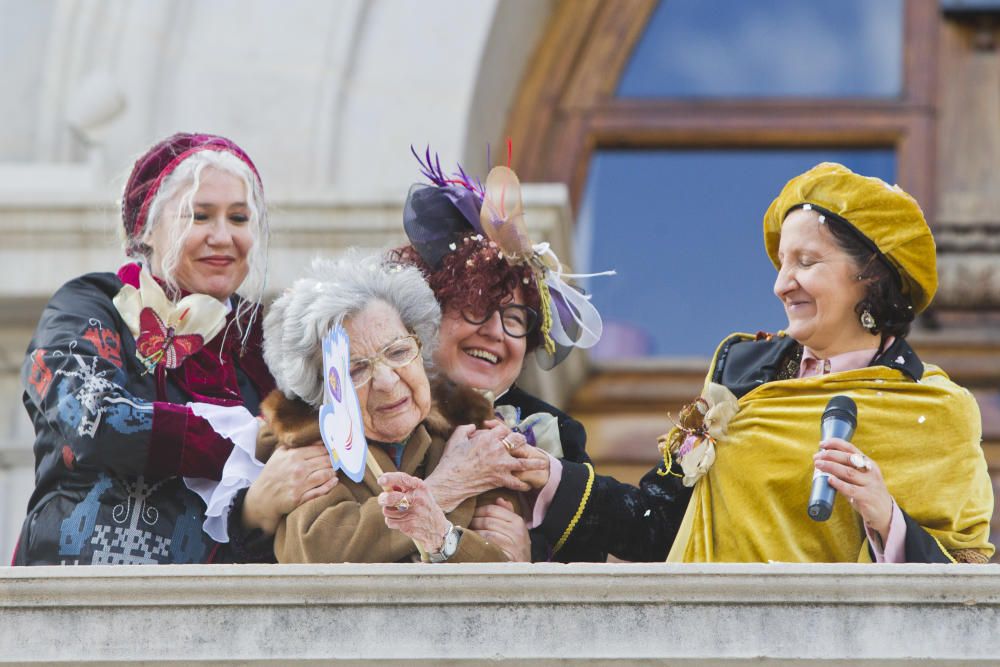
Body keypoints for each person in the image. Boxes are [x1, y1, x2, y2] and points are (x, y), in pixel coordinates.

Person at [529, 162, 994, 563]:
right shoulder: (741, 367)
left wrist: (885, 518)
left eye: (806, 262)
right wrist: (548, 477)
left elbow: (961, 582)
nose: (782, 285)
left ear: (870, 276)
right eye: (780, 265)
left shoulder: (936, 409)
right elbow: (659, 520)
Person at [13, 133, 335, 565]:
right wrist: (246, 440)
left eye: (239, 219)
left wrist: (255, 509)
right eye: (199, 216)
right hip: (78, 591)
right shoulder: (93, 304)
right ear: (146, 229)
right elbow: (90, 416)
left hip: (226, 612)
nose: (223, 237)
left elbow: (298, 488)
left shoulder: (265, 337)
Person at [389, 149, 609, 562]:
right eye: (475, 307)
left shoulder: (556, 438)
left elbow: (589, 594)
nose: (494, 332)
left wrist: (528, 561)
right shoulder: (376, 405)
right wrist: (449, 485)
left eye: (513, 317)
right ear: (428, 310)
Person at [260, 250, 544, 563]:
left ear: (421, 348)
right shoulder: (310, 449)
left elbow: (499, 569)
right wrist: (448, 485)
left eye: (397, 353)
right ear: (322, 391)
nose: (386, 381)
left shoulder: (472, 436)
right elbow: (315, 549)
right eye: (355, 370)